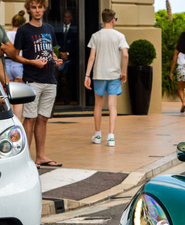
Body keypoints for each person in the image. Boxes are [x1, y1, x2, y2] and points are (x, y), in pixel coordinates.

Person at [14, 0, 64, 168]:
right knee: (30, 118)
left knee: (43, 118)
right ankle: (25, 158)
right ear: (29, 9)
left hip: (50, 79)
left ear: (44, 8)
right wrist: (32, 62)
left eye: (40, 7)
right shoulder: (23, 30)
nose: (37, 10)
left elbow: (51, 51)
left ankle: (41, 156)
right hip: (32, 80)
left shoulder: (49, 29)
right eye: (34, 7)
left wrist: (56, 60)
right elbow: (15, 56)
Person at [84, 8, 129, 147]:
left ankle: (97, 135)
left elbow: (92, 57)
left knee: (98, 105)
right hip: (114, 74)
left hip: (99, 74)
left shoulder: (96, 36)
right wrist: (124, 72)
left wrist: (87, 75)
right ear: (112, 19)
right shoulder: (119, 36)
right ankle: (111, 137)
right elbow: (126, 55)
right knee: (112, 106)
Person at [6, 10, 26, 119]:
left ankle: (9, 119)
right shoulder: (21, 34)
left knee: (9, 94)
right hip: (18, 64)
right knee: (19, 98)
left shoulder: (6, 34)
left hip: (7, 63)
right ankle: (17, 120)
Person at [55, 9, 78, 106]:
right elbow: (55, 41)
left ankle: (67, 101)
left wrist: (67, 54)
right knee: (58, 81)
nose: (67, 19)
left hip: (71, 60)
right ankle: (57, 100)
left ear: (71, 18)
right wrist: (60, 53)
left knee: (70, 81)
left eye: (68, 17)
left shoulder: (76, 29)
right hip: (59, 59)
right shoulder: (58, 28)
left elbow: (77, 45)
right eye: (65, 17)